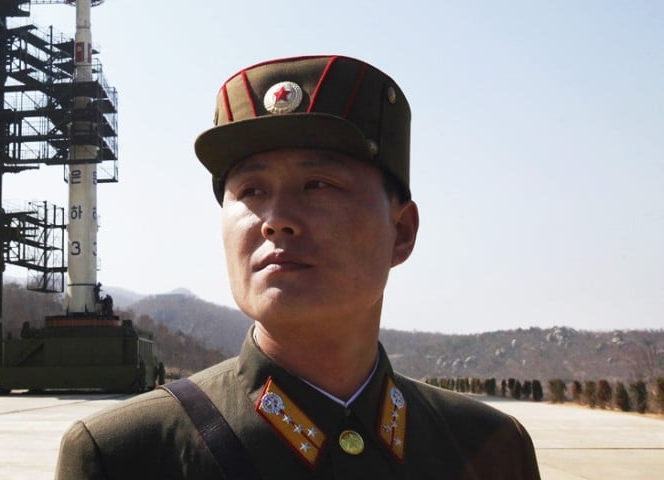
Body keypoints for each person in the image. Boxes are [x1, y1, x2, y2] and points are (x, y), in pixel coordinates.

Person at [54, 55, 541, 479]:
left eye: (319, 184)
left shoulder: (489, 449)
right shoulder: (128, 458)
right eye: (251, 192)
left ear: (402, 231)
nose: (276, 221)